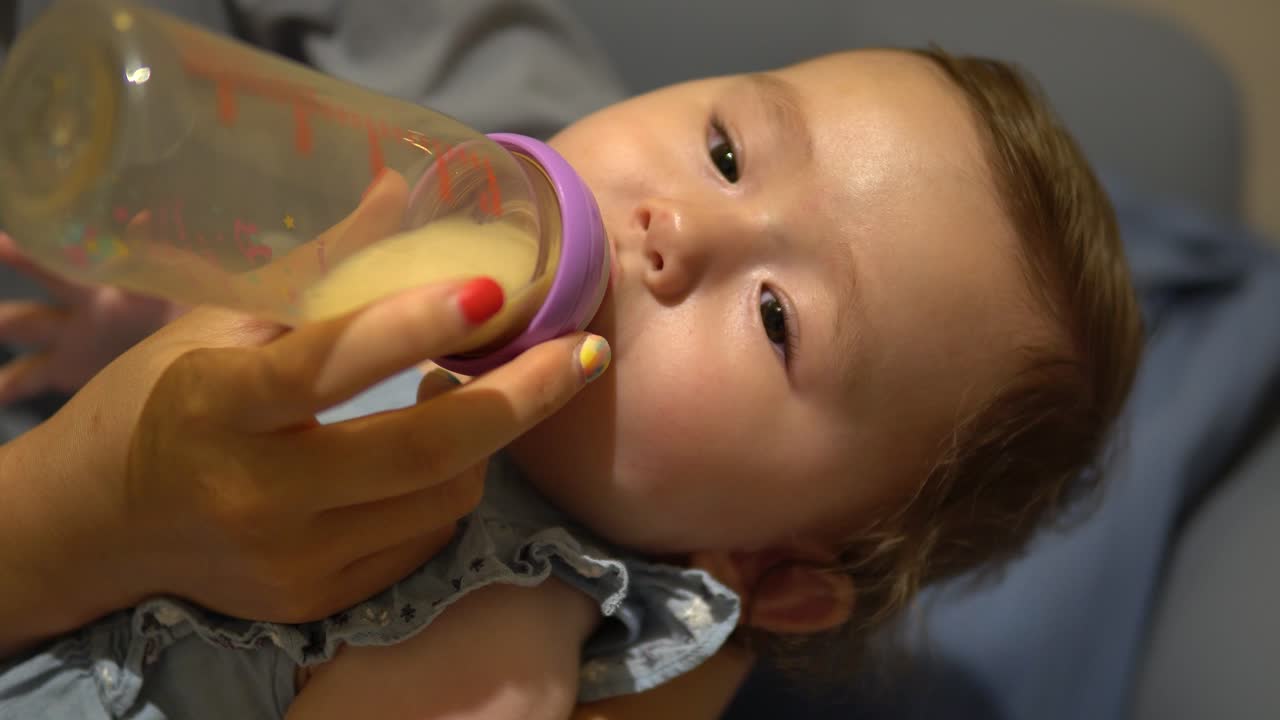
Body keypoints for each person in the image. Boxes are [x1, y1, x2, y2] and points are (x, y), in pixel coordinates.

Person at [0, 45, 1144, 720]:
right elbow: (262, 339)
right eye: (729, 152)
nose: (676, 226)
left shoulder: (496, 626)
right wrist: (142, 324)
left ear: (767, 570)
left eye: (776, 318)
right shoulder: (415, 253)